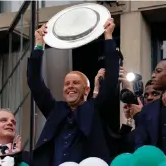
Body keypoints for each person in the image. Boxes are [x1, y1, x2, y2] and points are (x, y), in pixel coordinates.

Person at [27, 18, 119, 166]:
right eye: (67, 84)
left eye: (76, 83)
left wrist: (108, 36)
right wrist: (39, 44)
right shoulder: (55, 110)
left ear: (87, 90)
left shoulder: (95, 109)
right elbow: (34, 82)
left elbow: (111, 80)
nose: (70, 86)